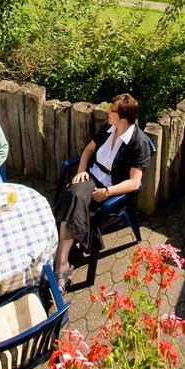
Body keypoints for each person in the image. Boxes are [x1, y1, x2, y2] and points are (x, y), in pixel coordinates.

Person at [53, 92, 153, 291]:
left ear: (122, 118)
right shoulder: (108, 128)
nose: (108, 111)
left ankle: (60, 259)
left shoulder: (138, 143)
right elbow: (89, 150)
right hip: (91, 177)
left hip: (111, 188)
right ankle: (62, 262)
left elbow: (134, 183)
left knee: (72, 198)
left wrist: (107, 192)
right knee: (74, 196)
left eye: (112, 110)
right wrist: (81, 170)